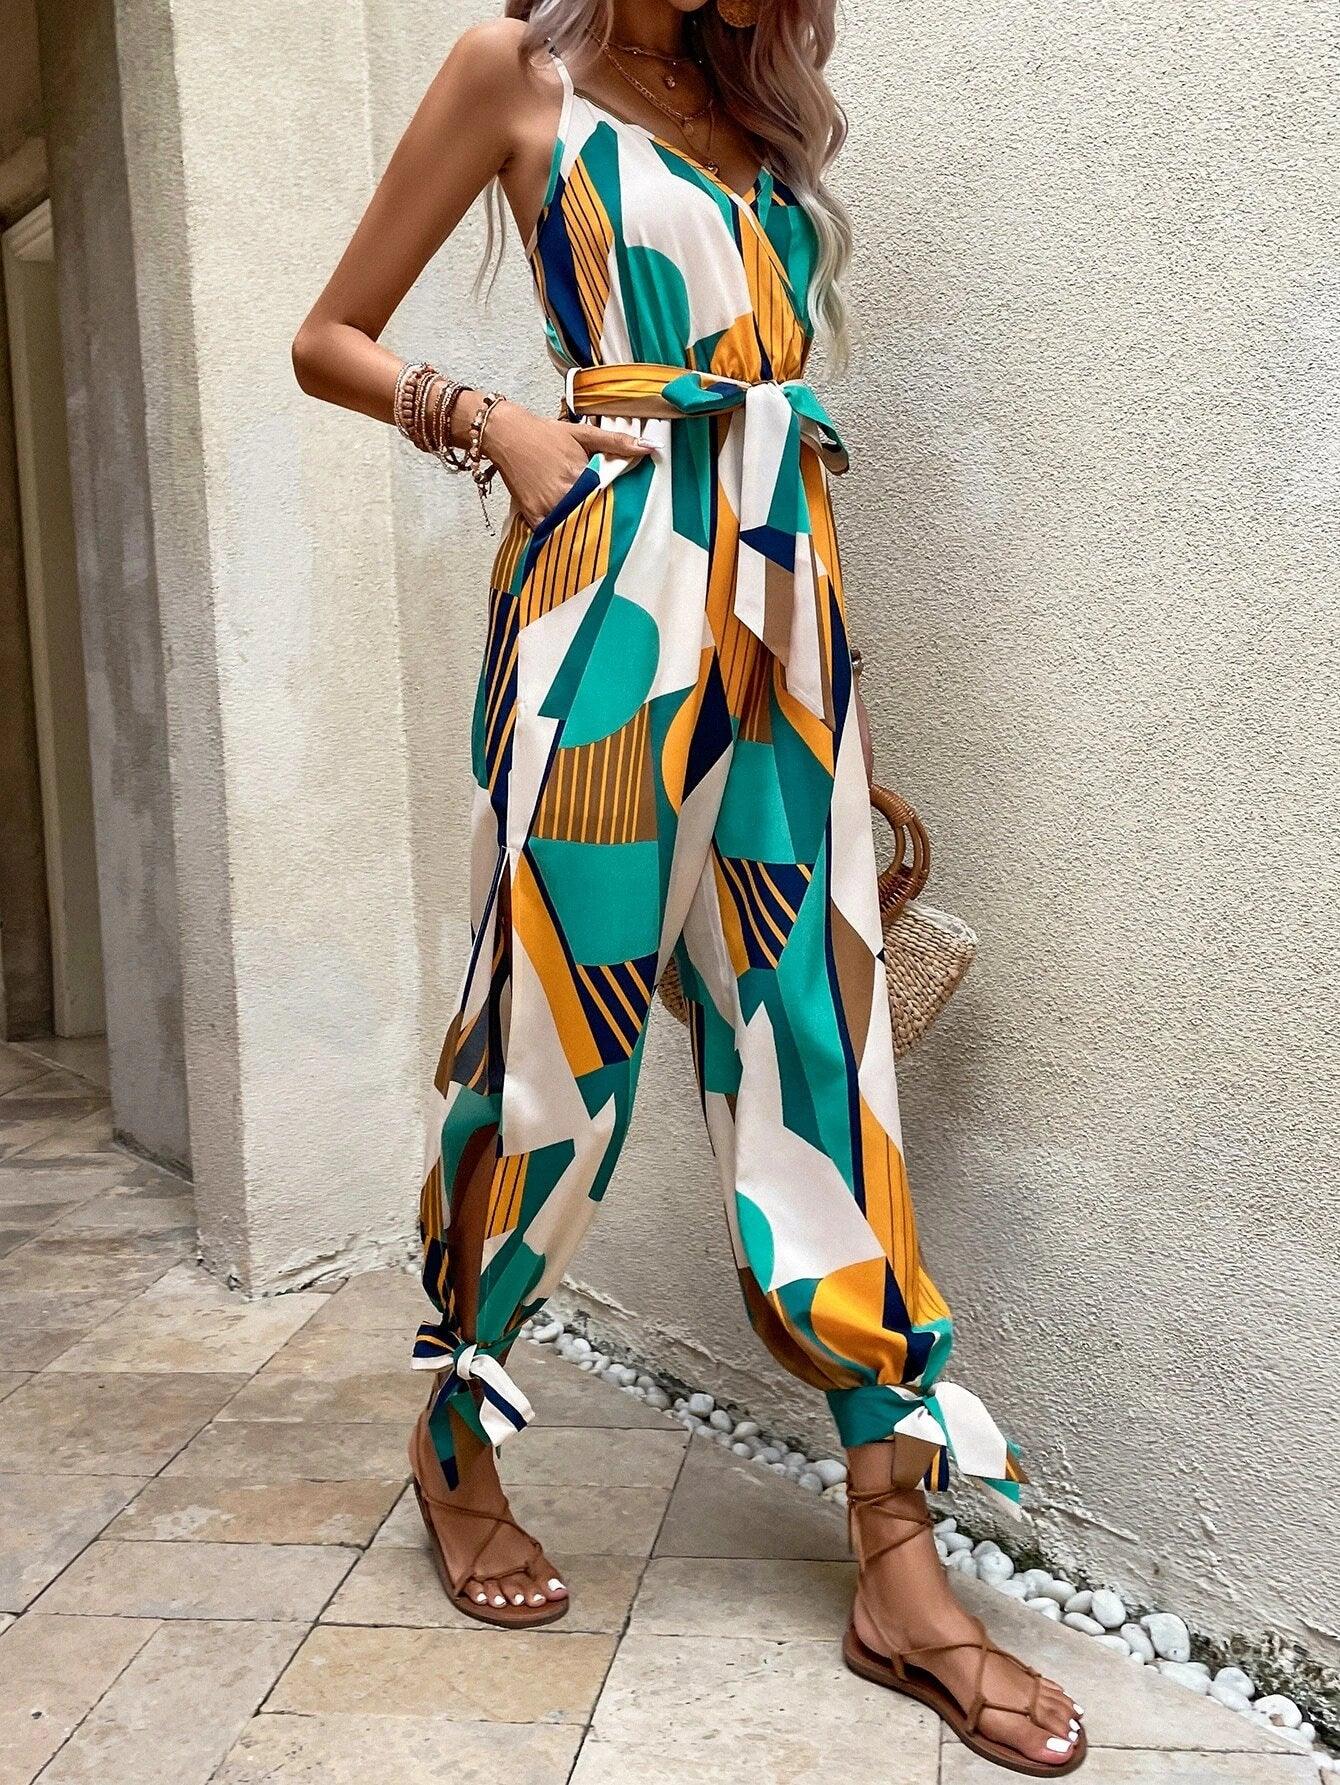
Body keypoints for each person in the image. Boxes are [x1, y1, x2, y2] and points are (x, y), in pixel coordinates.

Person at [292, 1, 1084, 1772]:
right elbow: (324, 338)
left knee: (826, 1056)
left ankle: (897, 1554)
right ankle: (458, 1434)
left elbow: (777, 434)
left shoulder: (751, 100)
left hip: (787, 628)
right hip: (605, 619)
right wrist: (491, 423)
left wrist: (835, 716)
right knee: (554, 1049)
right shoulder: (518, 76)